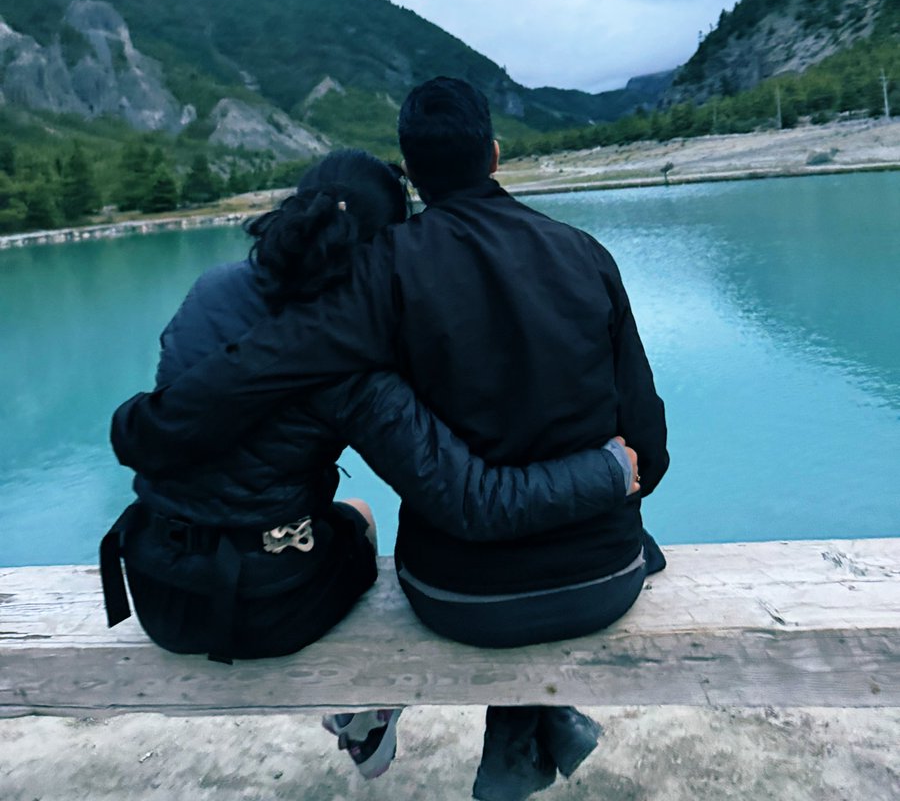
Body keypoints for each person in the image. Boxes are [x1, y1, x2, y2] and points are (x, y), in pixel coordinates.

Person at [114, 80, 668, 801]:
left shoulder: (379, 271)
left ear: (411, 169)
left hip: (444, 593)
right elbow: (646, 456)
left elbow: (278, 356)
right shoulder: (587, 253)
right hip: (607, 577)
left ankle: (503, 727)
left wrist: (146, 426)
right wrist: (610, 474)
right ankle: (520, 729)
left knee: (420, 522)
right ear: (495, 155)